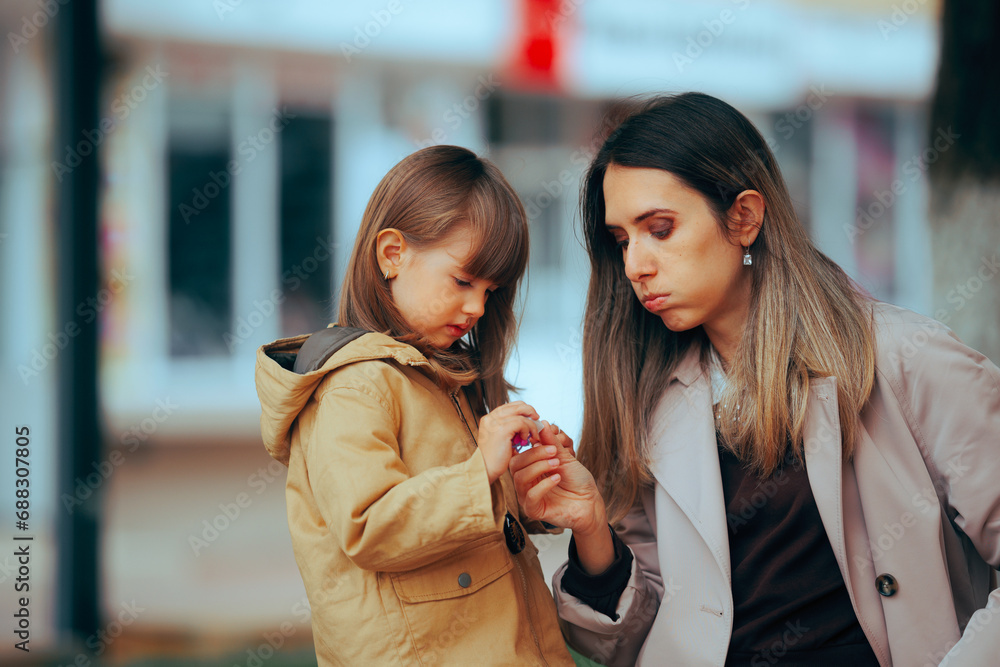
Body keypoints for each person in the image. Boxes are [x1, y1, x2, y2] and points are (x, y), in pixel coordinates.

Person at [509, 93, 1000, 667]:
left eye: (660, 229)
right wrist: (593, 528)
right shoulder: (649, 400)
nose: (634, 266)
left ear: (744, 217)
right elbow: (627, 641)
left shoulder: (905, 359)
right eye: (622, 240)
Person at [255, 145, 575, 666]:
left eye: (491, 291)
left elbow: (460, 515)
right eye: (463, 281)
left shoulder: (444, 377)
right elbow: (369, 525)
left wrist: (520, 488)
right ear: (392, 254)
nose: (476, 307)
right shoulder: (354, 387)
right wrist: (482, 473)